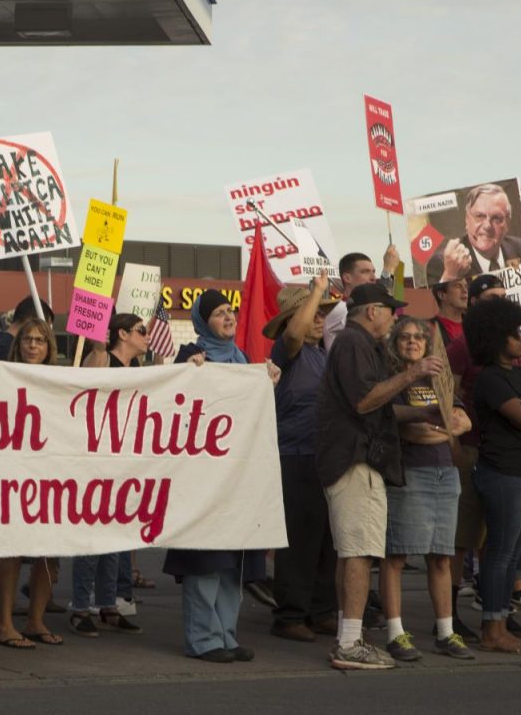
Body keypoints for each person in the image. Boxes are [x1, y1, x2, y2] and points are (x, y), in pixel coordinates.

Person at [317, 283, 442, 670]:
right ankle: (351, 643)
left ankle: (347, 634)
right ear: (372, 311)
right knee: (358, 552)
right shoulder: (354, 344)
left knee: (350, 552)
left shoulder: (356, 345)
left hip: (353, 459)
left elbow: (378, 407)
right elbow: (365, 400)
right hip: (355, 461)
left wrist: (423, 414)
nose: (393, 319)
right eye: (390, 311)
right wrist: (414, 374)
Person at [164, 290, 278, 662]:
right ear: (202, 322)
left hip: (235, 480)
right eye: (218, 313)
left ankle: (226, 635)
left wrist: (268, 382)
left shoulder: (243, 361)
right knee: (206, 562)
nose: (228, 317)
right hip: (201, 482)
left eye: (230, 311)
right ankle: (203, 639)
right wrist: (186, 373)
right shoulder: (189, 357)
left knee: (232, 562)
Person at [379, 317, 475, 662]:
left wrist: (439, 426)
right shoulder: (395, 380)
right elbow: (407, 430)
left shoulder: (440, 379)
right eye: (404, 337)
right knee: (396, 556)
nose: (412, 342)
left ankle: (446, 633)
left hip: (444, 474)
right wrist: (441, 426)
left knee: (441, 557)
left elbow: (463, 422)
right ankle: (395, 633)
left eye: (419, 337)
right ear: (395, 343)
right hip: (411, 473)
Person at [464, 297, 521, 654]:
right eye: (515, 334)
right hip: (504, 473)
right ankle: (492, 626)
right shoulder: (490, 379)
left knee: (514, 550)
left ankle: (500, 621)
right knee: (500, 552)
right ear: (497, 337)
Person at [264, 276, 342, 644]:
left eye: (323, 313)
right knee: (299, 539)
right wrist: (315, 292)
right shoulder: (286, 350)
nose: (319, 319)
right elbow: (294, 335)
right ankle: (291, 613)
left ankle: (321, 609)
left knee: (326, 537)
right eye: (312, 313)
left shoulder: (322, 353)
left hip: (323, 454)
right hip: (295, 454)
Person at [0, 317, 67, 649]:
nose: (33, 345)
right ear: (18, 345)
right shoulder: (2, 375)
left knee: (49, 553)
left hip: (52, 471)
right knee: (12, 550)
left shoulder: (63, 379)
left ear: (49, 346)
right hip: (14, 470)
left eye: (40, 340)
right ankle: (5, 624)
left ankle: (35, 620)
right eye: (28, 340)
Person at [68, 314, 145, 638]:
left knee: (116, 538)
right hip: (95, 460)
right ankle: (80, 608)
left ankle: (108, 604)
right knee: (91, 537)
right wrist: (97, 345)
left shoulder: (139, 370)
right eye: (142, 331)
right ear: (123, 334)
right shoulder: (103, 360)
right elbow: (87, 389)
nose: (147, 336)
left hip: (124, 462)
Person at [426, 183, 521, 285]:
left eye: (496, 218)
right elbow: (434, 301)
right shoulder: (443, 264)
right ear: (467, 220)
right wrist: (450, 275)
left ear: (507, 224)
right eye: (479, 216)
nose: (487, 226)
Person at [322, 246, 400, 349]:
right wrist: (388, 269)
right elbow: (380, 302)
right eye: (365, 272)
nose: (373, 278)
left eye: (373, 272)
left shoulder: (356, 305)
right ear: (347, 278)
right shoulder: (339, 308)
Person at [0, 295, 54, 360]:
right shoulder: (8, 350)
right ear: (31, 322)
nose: (47, 333)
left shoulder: (2, 343)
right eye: (45, 326)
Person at [429, 276, 468, 346]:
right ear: (442, 295)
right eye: (458, 286)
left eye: (465, 286)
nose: (465, 291)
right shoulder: (429, 328)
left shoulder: (475, 324)